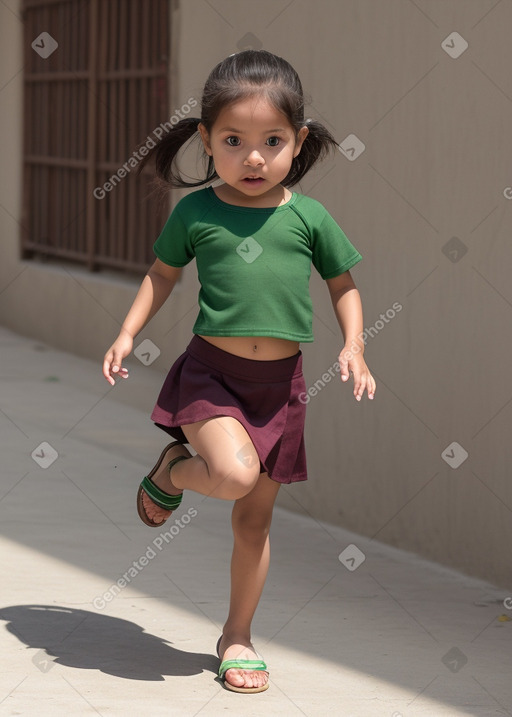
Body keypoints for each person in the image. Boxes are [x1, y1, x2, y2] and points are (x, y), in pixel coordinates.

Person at [102, 49, 376, 694]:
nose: (253, 157)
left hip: (279, 390)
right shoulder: (197, 213)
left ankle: (237, 637)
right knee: (229, 474)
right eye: (234, 140)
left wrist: (356, 344)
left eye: (271, 141)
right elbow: (162, 274)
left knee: (253, 523)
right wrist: (126, 330)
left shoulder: (307, 217)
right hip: (212, 378)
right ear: (206, 141)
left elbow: (344, 284)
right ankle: (176, 468)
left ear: (297, 141)